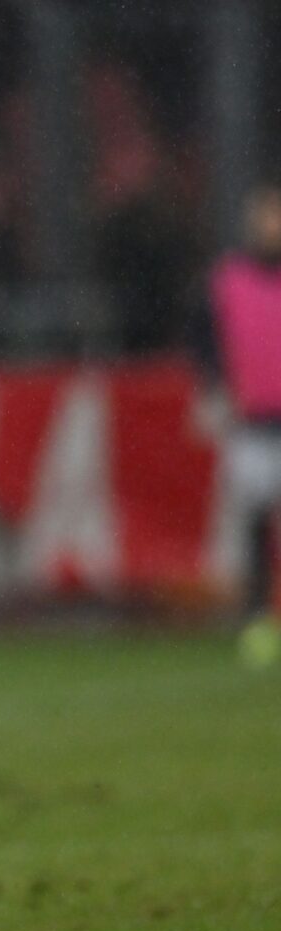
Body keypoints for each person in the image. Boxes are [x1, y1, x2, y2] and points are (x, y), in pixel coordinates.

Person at [205, 182, 281, 666]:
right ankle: (256, 614)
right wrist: (214, 385)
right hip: (254, 420)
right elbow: (204, 340)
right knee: (256, 521)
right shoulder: (228, 279)